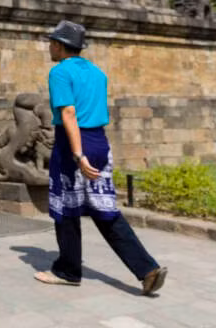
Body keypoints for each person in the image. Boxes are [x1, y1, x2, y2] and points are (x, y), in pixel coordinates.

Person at [34, 20, 168, 295]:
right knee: (104, 208)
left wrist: (77, 154)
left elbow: (69, 113)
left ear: (59, 45)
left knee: (66, 209)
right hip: (99, 142)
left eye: (51, 42)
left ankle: (68, 271)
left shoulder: (59, 72)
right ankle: (147, 269)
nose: (49, 47)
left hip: (73, 142)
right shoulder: (97, 73)